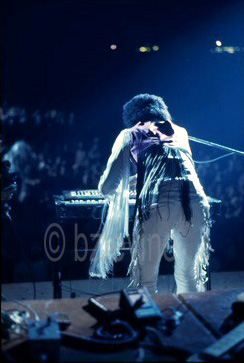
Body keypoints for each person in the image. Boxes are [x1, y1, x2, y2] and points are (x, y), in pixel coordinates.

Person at [89, 94, 212, 294]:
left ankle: (150, 322)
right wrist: (135, 180)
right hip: (196, 203)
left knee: (145, 282)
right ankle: (191, 322)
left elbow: (107, 186)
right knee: (188, 276)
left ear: (134, 118)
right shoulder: (180, 131)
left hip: (158, 206)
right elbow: (170, 167)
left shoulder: (129, 133)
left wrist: (116, 184)